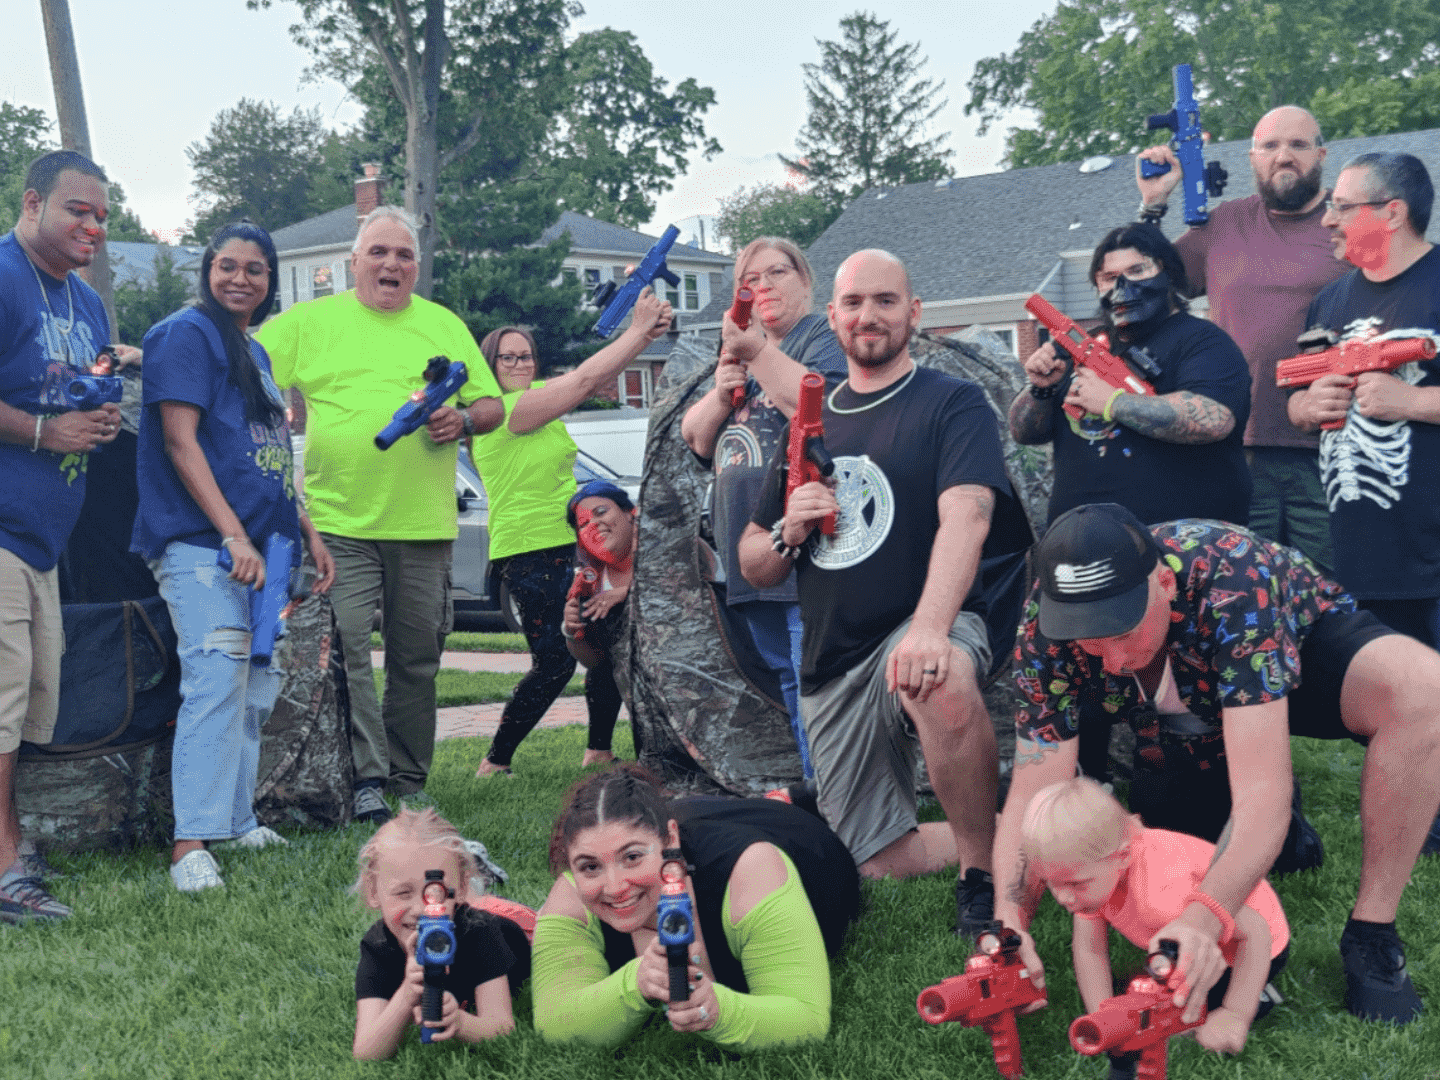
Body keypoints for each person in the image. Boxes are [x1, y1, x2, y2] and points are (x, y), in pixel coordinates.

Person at [994, 502, 1440, 1026]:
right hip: (1174, 715)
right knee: (1178, 854)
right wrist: (1009, 920)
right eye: (1088, 640)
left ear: (1162, 582)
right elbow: (1034, 789)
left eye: (1121, 631)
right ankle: (1285, 839)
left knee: (1424, 691)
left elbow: (1261, 796)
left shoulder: (1236, 581)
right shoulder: (1044, 626)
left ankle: (1372, 932)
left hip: (1292, 654)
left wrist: (1205, 920)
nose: (1109, 659)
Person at [738, 250, 1028, 933]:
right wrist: (788, 529)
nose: (868, 316)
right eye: (854, 303)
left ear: (914, 313)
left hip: (920, 622)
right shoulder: (807, 424)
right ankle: (1028, 826)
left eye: (885, 301)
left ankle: (980, 878)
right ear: (833, 317)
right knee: (877, 859)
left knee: (938, 677)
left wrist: (930, 627)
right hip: (834, 660)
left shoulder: (950, 403)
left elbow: (970, 513)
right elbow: (753, 563)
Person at [255, 206, 504, 824]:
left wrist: (465, 419)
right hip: (338, 524)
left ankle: (409, 777)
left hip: (424, 526)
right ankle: (365, 778)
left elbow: (493, 405)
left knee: (417, 657)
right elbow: (237, 366)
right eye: (379, 253)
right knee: (347, 653)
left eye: (404, 255)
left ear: (416, 267)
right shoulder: (310, 322)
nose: (392, 264)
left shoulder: (443, 324)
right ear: (353, 262)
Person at [131, 222, 335, 890]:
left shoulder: (256, 351)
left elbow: (266, 456)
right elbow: (180, 443)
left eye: (256, 269)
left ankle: (236, 820)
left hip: (270, 552)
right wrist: (231, 536)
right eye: (227, 266)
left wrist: (305, 528)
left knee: (256, 687)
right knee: (217, 679)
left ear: (270, 282)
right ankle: (190, 844)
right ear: (207, 270)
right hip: (203, 544)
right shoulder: (182, 335)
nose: (240, 279)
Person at [1137, 106, 1347, 570]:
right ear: (1253, 157)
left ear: (1322, 155)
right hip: (1236, 450)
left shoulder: (1347, 222)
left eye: (1298, 145)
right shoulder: (1225, 224)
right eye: (1270, 146)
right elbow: (1145, 288)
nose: (1284, 156)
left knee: (1332, 600)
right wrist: (1153, 204)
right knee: (1241, 593)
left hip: (1332, 450)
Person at [471, 293, 671, 779]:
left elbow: (595, 377)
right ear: (489, 367)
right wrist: (639, 332)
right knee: (555, 660)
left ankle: (599, 751)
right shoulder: (502, 411)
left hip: (573, 542)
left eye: (527, 355)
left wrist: (636, 324)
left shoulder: (537, 399)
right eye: (508, 357)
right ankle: (495, 762)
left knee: (604, 642)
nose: (520, 364)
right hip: (528, 549)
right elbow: (583, 379)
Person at [531, 764, 860, 1050]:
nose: (615, 887)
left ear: (669, 840)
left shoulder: (752, 870)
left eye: (632, 858)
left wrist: (719, 1011)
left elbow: (806, 1018)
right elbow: (554, 1022)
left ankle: (792, 798)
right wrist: (636, 982)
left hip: (801, 840)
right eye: (589, 866)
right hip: (691, 819)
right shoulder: (571, 896)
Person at [0, 150, 120, 922]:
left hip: (45, 538)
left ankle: (9, 846)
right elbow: (44, 420)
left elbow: (86, 388)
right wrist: (46, 431)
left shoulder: (87, 302)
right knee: (2, 698)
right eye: (79, 209)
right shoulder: (5, 274)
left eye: (104, 217)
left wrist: (99, 415)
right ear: (33, 201)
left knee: (28, 700)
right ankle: (5, 865)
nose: (93, 227)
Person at [680, 239, 847, 775]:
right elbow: (697, 441)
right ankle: (820, 790)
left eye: (778, 272)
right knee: (788, 675)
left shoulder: (820, 337)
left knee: (812, 675)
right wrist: (721, 394)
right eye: (750, 280)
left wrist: (754, 354)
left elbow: (819, 405)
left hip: (806, 544)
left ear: (805, 281)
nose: (765, 286)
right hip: (747, 552)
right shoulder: (746, 352)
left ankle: (834, 802)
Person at [1020, 776, 1288, 1067]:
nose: (1063, 898)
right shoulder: (1094, 874)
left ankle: (1257, 994)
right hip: (1188, 940)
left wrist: (1236, 1012)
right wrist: (1104, 1016)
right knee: (1138, 996)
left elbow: (1257, 930)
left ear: (1122, 857)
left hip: (1252, 947)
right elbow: (1089, 950)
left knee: (1181, 1015)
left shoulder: (1162, 891)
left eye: (1075, 884)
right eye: (1050, 883)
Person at [1286, 152, 1440, 647]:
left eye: (1342, 206)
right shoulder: (1329, 301)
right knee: (1389, 712)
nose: (1326, 218)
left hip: (1434, 560)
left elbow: (1407, 401)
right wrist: (1309, 408)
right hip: (1361, 560)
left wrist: (1412, 402)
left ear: (1392, 213)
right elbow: (1295, 404)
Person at [1008, 222, 1252, 527]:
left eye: (1138, 270)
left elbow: (1215, 420)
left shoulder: (1204, 341)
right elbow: (1023, 432)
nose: (1123, 286)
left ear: (1169, 274)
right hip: (1081, 540)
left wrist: (1113, 402)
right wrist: (1041, 389)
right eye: (1109, 277)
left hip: (1180, 546)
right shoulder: (1077, 345)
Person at [353, 807, 532, 1058]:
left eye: (435, 893)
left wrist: (461, 1023)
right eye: (403, 893)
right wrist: (406, 996)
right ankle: (472, 870)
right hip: (464, 905)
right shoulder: (379, 945)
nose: (420, 909)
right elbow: (366, 1052)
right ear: (374, 892)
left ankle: (479, 878)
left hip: (517, 927)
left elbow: (502, 1028)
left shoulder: (481, 932)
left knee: (532, 921)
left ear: (459, 888)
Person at [560, 481, 639, 762]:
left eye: (602, 511)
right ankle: (598, 751)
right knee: (607, 663)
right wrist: (573, 631)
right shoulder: (591, 576)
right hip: (632, 669)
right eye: (583, 523)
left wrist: (628, 593)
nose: (594, 524)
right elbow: (593, 662)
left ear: (632, 512)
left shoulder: (661, 551)